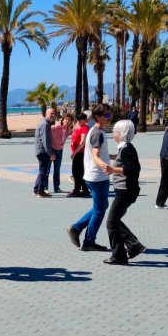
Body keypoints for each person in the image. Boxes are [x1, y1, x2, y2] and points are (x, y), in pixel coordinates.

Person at [68, 104, 116, 252]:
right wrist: (105, 166)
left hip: (94, 175)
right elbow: (95, 156)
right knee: (99, 210)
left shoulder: (95, 131)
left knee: (101, 206)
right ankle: (88, 240)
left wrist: (114, 157)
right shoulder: (97, 133)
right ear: (98, 117)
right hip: (97, 176)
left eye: (110, 115)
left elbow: (99, 154)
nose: (109, 118)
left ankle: (77, 228)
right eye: (106, 115)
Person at [102, 120, 145, 265]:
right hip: (125, 191)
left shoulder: (127, 149)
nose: (113, 134)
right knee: (115, 220)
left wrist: (112, 169)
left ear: (121, 133)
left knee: (111, 222)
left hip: (126, 191)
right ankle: (133, 246)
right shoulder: (125, 148)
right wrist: (111, 157)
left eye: (115, 131)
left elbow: (133, 169)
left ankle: (119, 255)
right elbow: (124, 160)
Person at [32, 108, 56, 197]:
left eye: (54, 113)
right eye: (51, 113)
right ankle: (40, 192)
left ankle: (36, 189)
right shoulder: (45, 124)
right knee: (43, 171)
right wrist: (51, 153)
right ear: (46, 113)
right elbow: (45, 140)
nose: (53, 115)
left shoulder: (44, 123)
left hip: (41, 151)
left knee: (42, 171)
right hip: (43, 151)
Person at [68, 113, 90, 197]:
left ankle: (79, 190)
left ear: (85, 120)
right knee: (77, 172)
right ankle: (82, 189)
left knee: (78, 172)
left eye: (81, 119)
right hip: (77, 153)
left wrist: (75, 152)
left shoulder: (84, 128)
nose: (79, 121)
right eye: (78, 119)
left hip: (80, 153)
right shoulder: (77, 126)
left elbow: (82, 142)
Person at [51, 112, 71, 194]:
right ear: (63, 120)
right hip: (52, 150)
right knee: (47, 169)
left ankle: (56, 188)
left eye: (69, 120)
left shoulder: (68, 130)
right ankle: (44, 187)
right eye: (66, 119)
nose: (67, 121)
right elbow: (46, 132)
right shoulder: (56, 127)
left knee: (57, 169)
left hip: (60, 151)